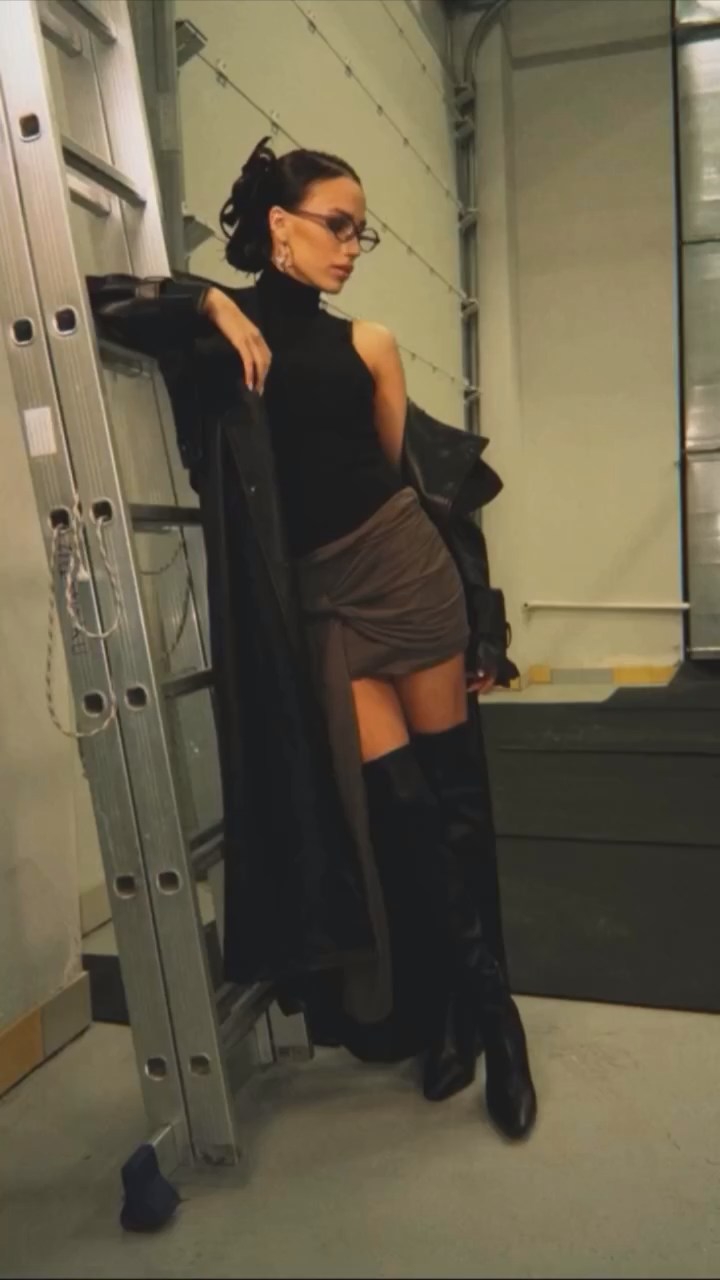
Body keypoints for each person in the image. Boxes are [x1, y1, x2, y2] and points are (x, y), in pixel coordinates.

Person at [88, 137, 536, 1141]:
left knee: (454, 803)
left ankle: (490, 1020)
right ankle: (440, 1004)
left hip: (402, 576)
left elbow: (410, 483)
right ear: (279, 224)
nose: (350, 247)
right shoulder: (221, 333)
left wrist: (482, 618)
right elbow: (94, 300)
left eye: (359, 232)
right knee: (400, 811)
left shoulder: (370, 342)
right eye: (338, 225)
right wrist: (205, 300)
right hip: (320, 604)